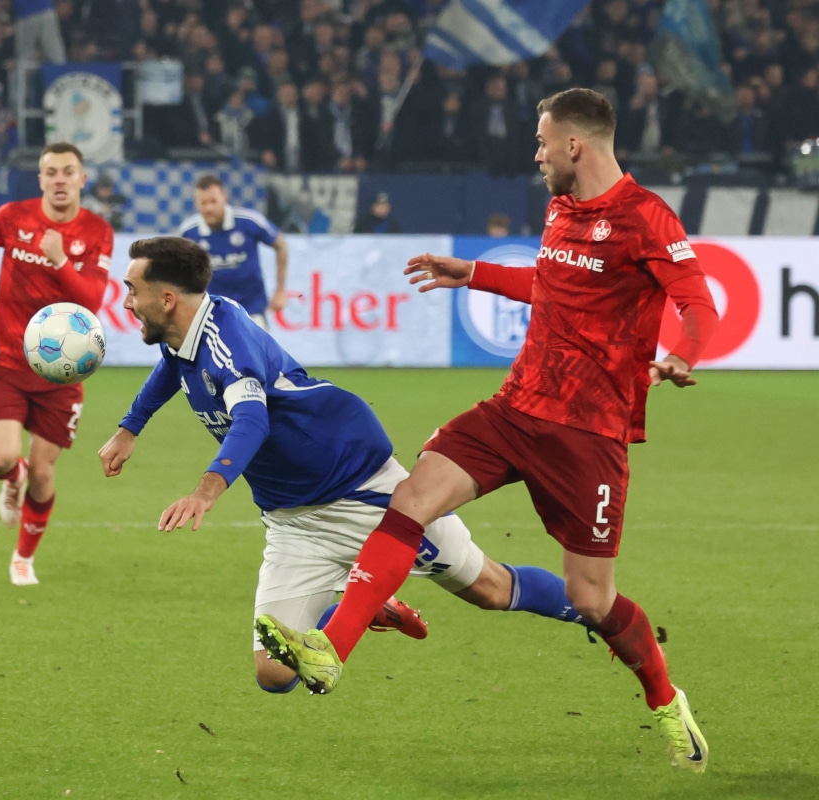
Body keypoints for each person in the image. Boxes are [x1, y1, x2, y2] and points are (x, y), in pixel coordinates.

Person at [256, 88, 718, 772]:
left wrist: (684, 354)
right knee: (411, 498)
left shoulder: (645, 218)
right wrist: (471, 274)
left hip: (587, 434)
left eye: (541, 141)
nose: (534, 154)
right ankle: (333, 647)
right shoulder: (560, 206)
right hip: (515, 408)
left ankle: (664, 697)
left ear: (574, 146)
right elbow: (552, 284)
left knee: (592, 599)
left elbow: (696, 299)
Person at [99, 237, 588, 693]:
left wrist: (206, 491)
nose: (125, 302)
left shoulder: (228, 344)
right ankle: (372, 605)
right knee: (274, 674)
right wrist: (129, 428)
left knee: (489, 588)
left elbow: (252, 419)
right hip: (291, 518)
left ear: (166, 299)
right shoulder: (185, 330)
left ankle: (593, 610)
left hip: (360, 489)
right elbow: (171, 364)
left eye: (131, 290)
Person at [0, 142, 113, 586]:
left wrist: (60, 258)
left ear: (82, 180)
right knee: (0, 459)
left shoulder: (98, 231)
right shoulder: (13, 217)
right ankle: (12, 477)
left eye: (68, 172)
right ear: (40, 179)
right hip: (7, 360)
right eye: (51, 172)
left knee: (44, 474)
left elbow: (91, 301)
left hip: (64, 372)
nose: (59, 180)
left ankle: (23, 558)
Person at [178, 175, 288, 330]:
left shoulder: (248, 221)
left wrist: (280, 291)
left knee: (252, 352)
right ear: (196, 203)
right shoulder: (189, 231)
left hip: (251, 308)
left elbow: (281, 245)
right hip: (212, 311)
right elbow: (179, 268)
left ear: (224, 197)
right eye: (203, 203)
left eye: (213, 201)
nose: (209, 208)